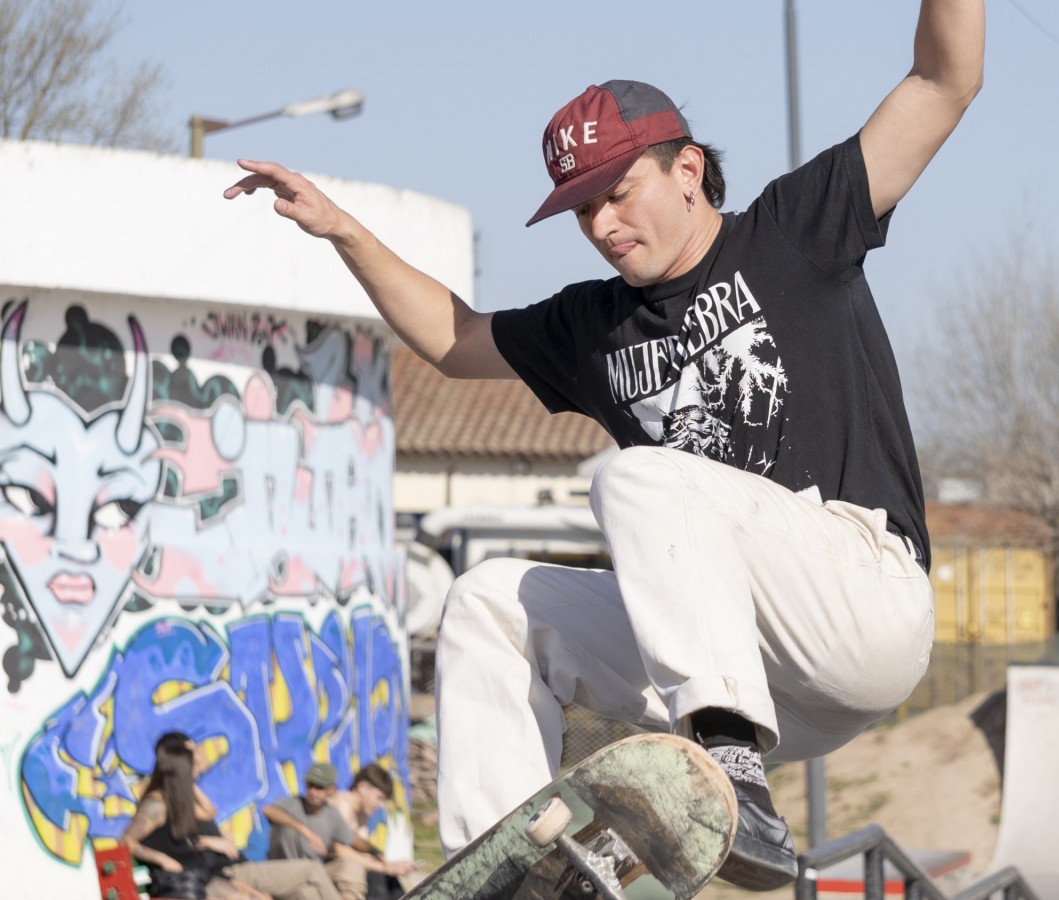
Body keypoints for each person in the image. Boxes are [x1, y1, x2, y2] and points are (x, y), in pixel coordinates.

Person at [223, 0, 983, 888]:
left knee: (639, 477)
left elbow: (944, 80)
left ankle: (726, 759)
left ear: (689, 168)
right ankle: (506, 868)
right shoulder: (594, 326)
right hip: (759, 675)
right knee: (485, 603)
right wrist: (345, 231)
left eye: (619, 194)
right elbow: (453, 339)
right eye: (584, 211)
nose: (605, 226)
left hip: (860, 603)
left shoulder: (795, 233)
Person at [121, 732, 338, 900]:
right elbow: (125, 841)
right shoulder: (156, 804)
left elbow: (208, 813)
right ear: (180, 769)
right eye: (193, 763)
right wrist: (162, 860)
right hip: (187, 886)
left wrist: (188, 781)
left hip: (203, 879)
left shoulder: (178, 801)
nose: (200, 764)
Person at [263, 763, 393, 900]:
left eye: (320, 787)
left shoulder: (331, 813)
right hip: (288, 873)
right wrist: (303, 830)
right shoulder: (293, 804)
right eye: (310, 785)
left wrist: (376, 852)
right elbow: (269, 810)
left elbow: (353, 840)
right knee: (310, 890)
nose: (313, 792)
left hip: (316, 873)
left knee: (353, 867)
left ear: (331, 790)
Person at [326, 763, 415, 899]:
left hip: (344, 866)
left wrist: (387, 864)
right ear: (362, 787)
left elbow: (363, 851)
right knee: (375, 874)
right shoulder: (341, 803)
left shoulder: (362, 814)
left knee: (387, 878)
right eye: (379, 798)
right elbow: (339, 850)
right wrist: (384, 867)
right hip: (324, 865)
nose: (380, 805)